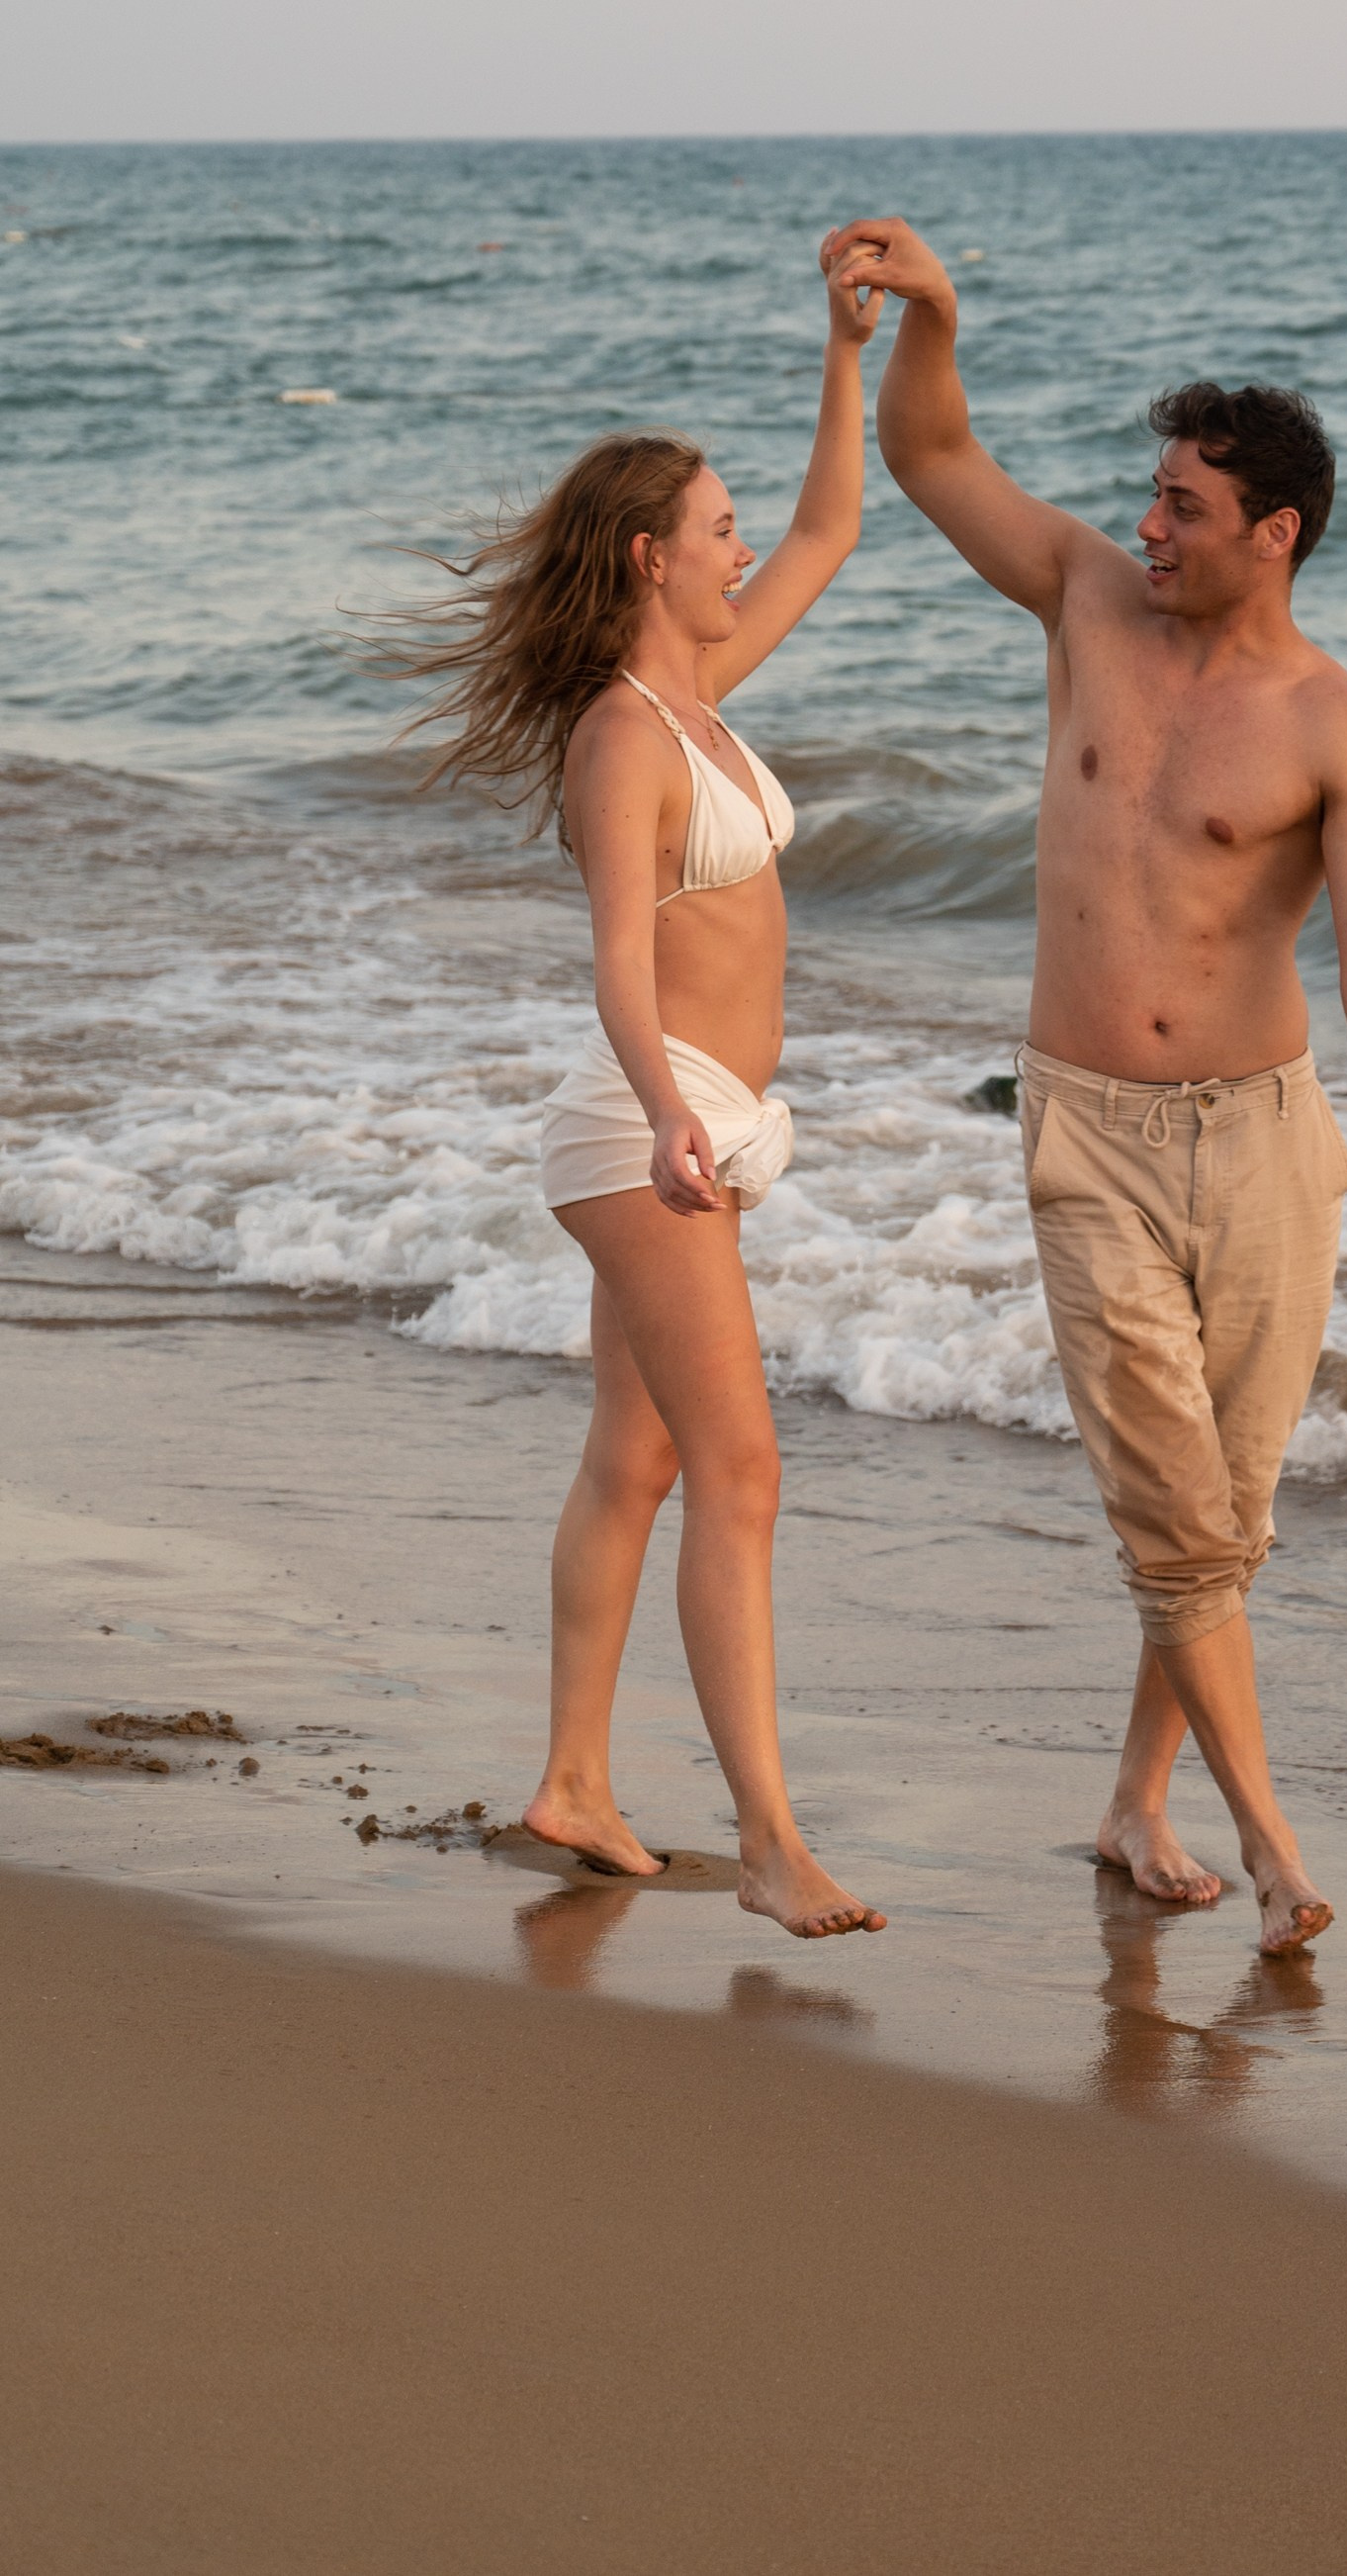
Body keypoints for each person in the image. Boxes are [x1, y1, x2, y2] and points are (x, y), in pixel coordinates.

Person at [823, 215, 1347, 1955]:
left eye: (1182, 506)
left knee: (1221, 1525)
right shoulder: (1088, 600)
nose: (1147, 525)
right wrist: (934, 314)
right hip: (1085, 1126)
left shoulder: (1338, 727)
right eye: (1148, 494)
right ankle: (1270, 1838)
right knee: (1173, 1514)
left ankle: (1132, 1802)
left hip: (1266, 1143)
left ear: (1275, 535)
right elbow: (930, 452)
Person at [384, 259, 886, 1940]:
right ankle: (766, 1840)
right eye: (716, 525)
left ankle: (575, 1785)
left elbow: (837, 527)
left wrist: (846, 349)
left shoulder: (699, 700)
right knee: (741, 1471)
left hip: (700, 1117)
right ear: (646, 555)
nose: (746, 547)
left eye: (736, 522)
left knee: (643, 1458)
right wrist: (666, 1110)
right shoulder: (623, 734)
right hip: (647, 1117)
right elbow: (615, 951)